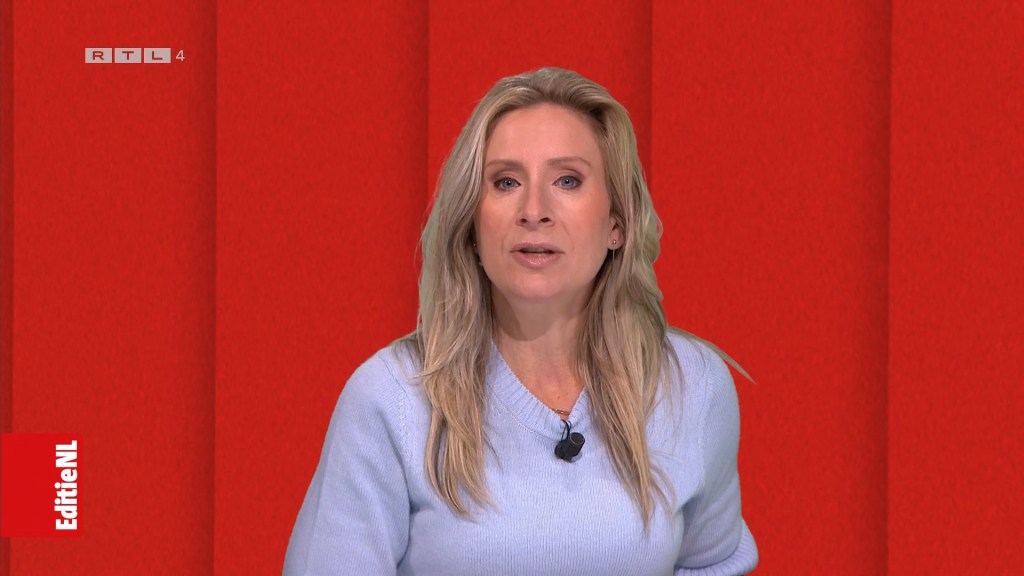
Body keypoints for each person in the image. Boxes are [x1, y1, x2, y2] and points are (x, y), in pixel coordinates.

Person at [283, 67, 758, 575]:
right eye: (506, 182)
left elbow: (714, 564)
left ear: (616, 224)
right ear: (472, 225)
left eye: (568, 181)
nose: (534, 210)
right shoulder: (392, 397)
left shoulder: (692, 385)